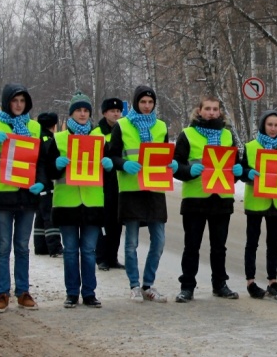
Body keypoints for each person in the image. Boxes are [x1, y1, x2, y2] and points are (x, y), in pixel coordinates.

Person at [40, 92, 113, 308]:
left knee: (89, 251)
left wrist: (109, 166)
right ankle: (72, 293)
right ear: (71, 113)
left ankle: (89, 293)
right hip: (67, 203)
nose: (82, 114)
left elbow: (108, 175)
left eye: (86, 110)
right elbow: (49, 171)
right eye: (78, 110)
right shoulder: (59, 139)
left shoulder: (99, 138)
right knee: (71, 251)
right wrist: (57, 165)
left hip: (92, 204)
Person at [0, 84, 42, 312]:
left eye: (22, 101)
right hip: (3, 195)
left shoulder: (34, 126)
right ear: (6, 103)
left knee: (22, 246)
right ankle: (2, 293)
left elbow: (42, 159)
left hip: (27, 195)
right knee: (3, 246)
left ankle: (23, 291)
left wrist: (42, 181)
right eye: (15, 101)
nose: (19, 105)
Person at [106, 85, 177, 303]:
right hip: (131, 189)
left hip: (155, 189)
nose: (147, 106)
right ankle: (134, 285)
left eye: (150, 102)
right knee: (132, 242)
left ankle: (149, 284)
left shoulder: (161, 126)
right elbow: (113, 156)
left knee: (159, 240)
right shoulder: (122, 125)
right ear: (136, 103)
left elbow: (163, 154)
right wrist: (124, 165)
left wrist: (171, 164)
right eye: (143, 102)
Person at [173, 95, 243, 303]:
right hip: (196, 198)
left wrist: (238, 171)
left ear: (220, 112)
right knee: (192, 246)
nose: (212, 113)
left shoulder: (228, 135)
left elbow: (235, 166)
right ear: (199, 111)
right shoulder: (187, 134)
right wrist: (189, 170)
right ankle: (187, 287)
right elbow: (175, 166)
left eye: (215, 109)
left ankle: (219, 284)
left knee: (219, 246)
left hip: (221, 199)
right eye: (208, 109)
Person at [239, 109, 277, 301]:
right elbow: (242, 170)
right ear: (263, 125)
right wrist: (247, 173)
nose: (273, 129)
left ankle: (273, 281)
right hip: (256, 200)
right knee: (252, 242)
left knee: (274, 243)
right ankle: (251, 281)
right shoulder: (251, 146)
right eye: (269, 125)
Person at [91, 97, 125, 271]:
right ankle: (101, 257)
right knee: (104, 222)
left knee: (117, 222)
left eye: (119, 111)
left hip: (119, 181)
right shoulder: (97, 133)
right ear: (104, 113)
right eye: (112, 111)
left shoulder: (124, 130)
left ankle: (113, 257)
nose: (116, 113)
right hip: (102, 182)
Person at [33, 112, 64, 257]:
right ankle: (55, 247)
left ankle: (40, 246)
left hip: (37, 181)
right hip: (46, 181)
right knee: (49, 215)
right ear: (54, 125)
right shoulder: (50, 139)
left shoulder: (36, 136)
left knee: (40, 214)